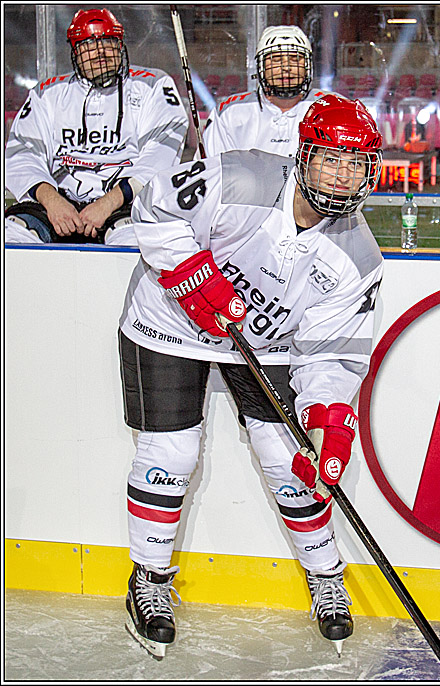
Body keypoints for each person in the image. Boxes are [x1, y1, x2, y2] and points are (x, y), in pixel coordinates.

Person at [117, 94, 384, 658]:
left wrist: (331, 419)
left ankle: (326, 576)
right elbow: (155, 209)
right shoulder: (241, 176)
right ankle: (149, 579)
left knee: (293, 460)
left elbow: (328, 353)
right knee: (171, 452)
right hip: (168, 320)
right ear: (303, 155)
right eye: (330, 159)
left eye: (355, 163)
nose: (341, 177)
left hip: (260, 340)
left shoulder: (359, 258)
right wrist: (189, 271)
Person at [4, 8, 188, 246]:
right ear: (75, 51)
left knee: (137, 242)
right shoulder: (46, 93)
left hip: (124, 206)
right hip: (57, 205)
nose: (99, 52)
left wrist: (108, 203)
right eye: (88, 45)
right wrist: (52, 201)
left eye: (108, 42)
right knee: (11, 236)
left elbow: (160, 155)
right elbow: (22, 154)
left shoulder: (153, 86)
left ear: (120, 45)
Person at [203, 25, 334, 158]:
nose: (286, 67)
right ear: (261, 67)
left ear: (307, 66)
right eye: (276, 59)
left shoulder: (332, 108)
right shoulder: (229, 113)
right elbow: (212, 170)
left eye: (295, 59)